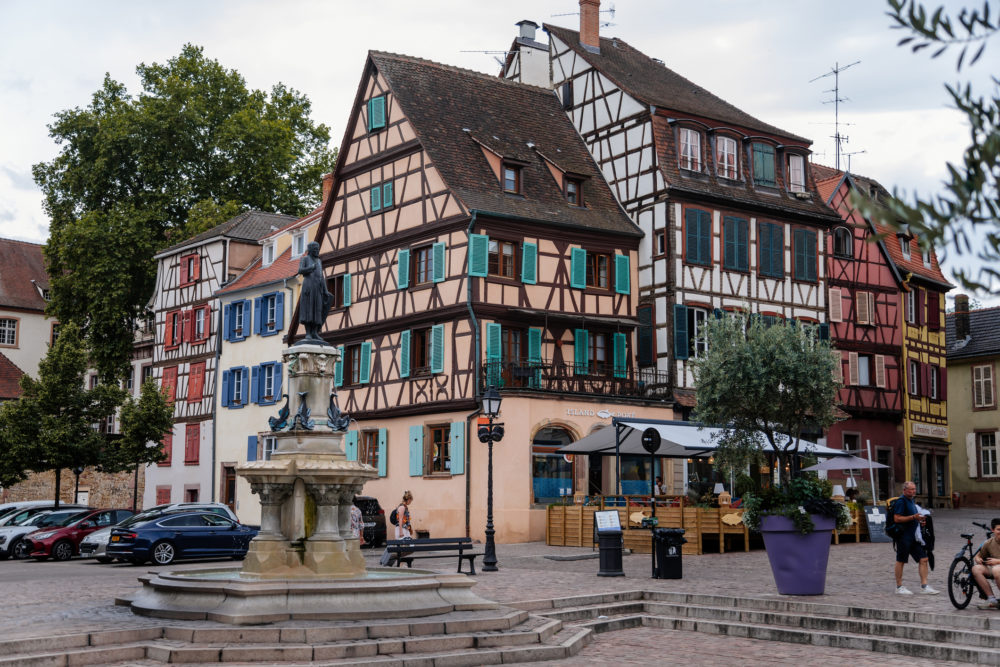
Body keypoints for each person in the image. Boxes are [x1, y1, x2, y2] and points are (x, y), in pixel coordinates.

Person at [891, 481, 939, 595]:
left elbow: (914, 517)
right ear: (904, 490)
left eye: (914, 489)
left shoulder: (911, 501)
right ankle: (899, 587)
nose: (913, 491)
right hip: (903, 536)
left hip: (914, 536)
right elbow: (897, 518)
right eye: (910, 489)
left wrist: (920, 520)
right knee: (901, 560)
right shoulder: (901, 501)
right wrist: (913, 517)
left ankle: (924, 586)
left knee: (924, 558)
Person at [297, 241, 333, 343]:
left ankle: (315, 332)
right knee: (308, 309)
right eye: (315, 250)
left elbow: (321, 277)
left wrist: (325, 291)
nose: (317, 251)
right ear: (310, 250)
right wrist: (310, 268)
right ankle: (308, 332)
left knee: (317, 310)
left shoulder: (319, 261)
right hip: (308, 287)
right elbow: (300, 270)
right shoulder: (305, 259)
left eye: (318, 249)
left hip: (318, 288)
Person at [972, 518, 1000, 609]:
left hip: (997, 568)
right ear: (992, 530)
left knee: (996, 569)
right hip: (995, 569)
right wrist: (978, 559)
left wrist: (998, 561)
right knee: (976, 568)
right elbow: (978, 556)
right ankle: (992, 599)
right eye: (998, 529)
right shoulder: (989, 543)